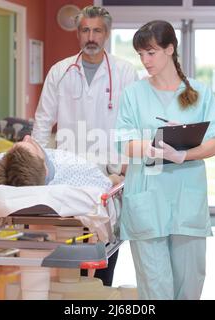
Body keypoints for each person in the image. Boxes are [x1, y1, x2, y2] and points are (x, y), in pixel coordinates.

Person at [114, 20, 215, 300]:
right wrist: (156, 146)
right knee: (155, 290)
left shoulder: (199, 93)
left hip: (186, 203)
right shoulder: (133, 94)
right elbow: (124, 142)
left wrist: (185, 153)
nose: (144, 60)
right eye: (140, 54)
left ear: (170, 49)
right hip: (147, 202)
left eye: (150, 53)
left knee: (189, 287)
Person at [32, 5, 138, 286]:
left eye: (97, 30)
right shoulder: (61, 71)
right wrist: (38, 163)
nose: (91, 36)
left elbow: (134, 122)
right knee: (73, 234)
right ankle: (76, 288)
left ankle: (102, 288)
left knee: (109, 235)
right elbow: (43, 121)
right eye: (85, 30)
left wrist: (129, 161)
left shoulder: (125, 72)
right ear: (78, 33)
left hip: (110, 167)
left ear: (106, 33)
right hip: (70, 167)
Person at [0, 135, 121, 190]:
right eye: (32, 144)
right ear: (45, 170)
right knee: (115, 178)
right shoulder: (79, 170)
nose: (28, 136)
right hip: (99, 166)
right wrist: (115, 179)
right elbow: (105, 184)